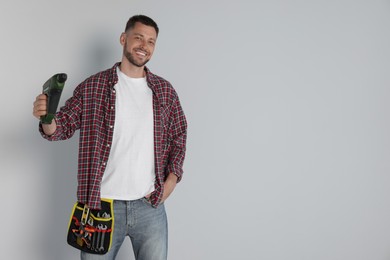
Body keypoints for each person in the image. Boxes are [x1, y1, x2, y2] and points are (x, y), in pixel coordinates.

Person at [32, 15, 187, 260]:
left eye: (151, 41)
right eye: (138, 38)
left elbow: (179, 135)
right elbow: (61, 127)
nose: (144, 46)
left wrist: (171, 181)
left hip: (150, 208)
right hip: (99, 207)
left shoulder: (164, 91)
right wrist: (46, 117)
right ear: (123, 39)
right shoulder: (93, 87)